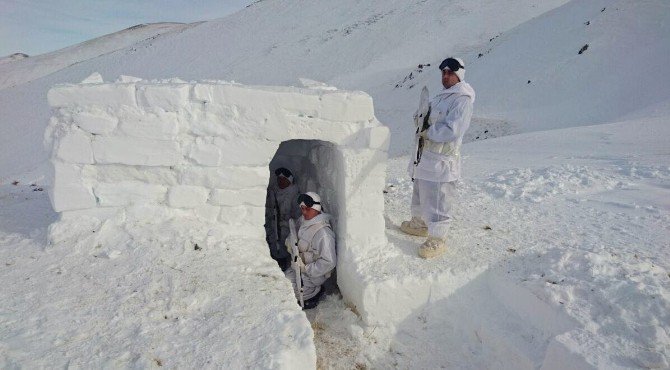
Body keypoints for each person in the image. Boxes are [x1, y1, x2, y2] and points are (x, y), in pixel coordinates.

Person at [401, 57, 476, 259]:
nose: (445, 76)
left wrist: (428, 131)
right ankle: (420, 223)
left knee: (437, 197)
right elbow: (425, 116)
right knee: (420, 192)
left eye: (450, 72)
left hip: (442, 160)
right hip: (425, 156)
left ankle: (437, 238)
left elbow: (453, 129)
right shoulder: (440, 97)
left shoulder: (462, 99)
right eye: (443, 72)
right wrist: (419, 119)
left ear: (459, 74)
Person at [284, 192, 336, 309]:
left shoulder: (324, 234)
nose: (304, 212)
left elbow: (329, 262)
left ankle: (315, 294)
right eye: (302, 209)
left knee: (287, 295)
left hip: (312, 277)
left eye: (307, 209)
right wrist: (289, 242)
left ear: (316, 208)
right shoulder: (302, 221)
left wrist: (305, 268)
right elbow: (293, 235)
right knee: (281, 286)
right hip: (296, 270)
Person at [265, 167, 301, 269]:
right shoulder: (273, 192)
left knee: (286, 253)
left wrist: (284, 223)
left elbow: (298, 219)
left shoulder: (295, 196)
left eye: (283, 179)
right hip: (273, 231)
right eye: (279, 179)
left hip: (287, 233)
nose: (280, 181)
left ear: (289, 180)